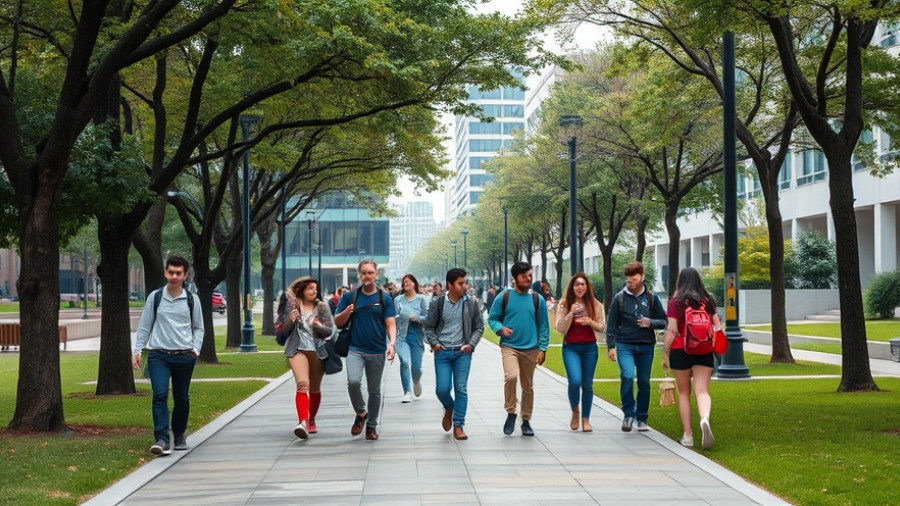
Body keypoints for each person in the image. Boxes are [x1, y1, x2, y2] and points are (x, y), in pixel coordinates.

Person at [132, 256, 204, 456]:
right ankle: (162, 439)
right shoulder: (155, 298)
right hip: (158, 356)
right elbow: (145, 326)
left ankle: (179, 435)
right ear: (165, 273)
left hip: (184, 356)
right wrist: (137, 350)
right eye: (170, 272)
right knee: (160, 395)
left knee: (182, 398)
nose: (174, 276)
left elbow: (199, 328)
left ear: (185, 275)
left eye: (178, 273)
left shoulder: (192, 299)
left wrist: (194, 351)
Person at [334, 260, 397, 441]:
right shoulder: (350, 296)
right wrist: (347, 311)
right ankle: (361, 412)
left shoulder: (383, 298)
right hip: (355, 349)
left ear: (376, 274)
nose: (367, 276)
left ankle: (371, 427)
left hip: (377, 350)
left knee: (375, 390)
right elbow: (338, 322)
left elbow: (390, 323)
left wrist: (391, 344)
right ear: (359, 275)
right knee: (353, 382)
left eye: (370, 272)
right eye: (363, 273)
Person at [488, 261, 550, 436]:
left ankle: (526, 420)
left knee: (528, 386)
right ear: (515, 278)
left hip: (531, 348)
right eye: (525, 276)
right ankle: (511, 412)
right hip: (509, 347)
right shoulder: (504, 297)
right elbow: (492, 318)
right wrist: (499, 328)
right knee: (511, 376)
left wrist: (543, 348)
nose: (529, 279)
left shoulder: (537, 299)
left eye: (530, 275)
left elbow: (544, 326)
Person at [606, 261, 667, 433]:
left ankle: (641, 417)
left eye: (634, 277)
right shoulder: (619, 298)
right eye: (628, 278)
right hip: (625, 344)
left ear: (642, 276)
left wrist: (650, 323)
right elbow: (611, 325)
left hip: (646, 346)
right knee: (627, 375)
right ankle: (628, 414)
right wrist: (611, 346)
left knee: (643, 382)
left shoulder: (651, 299)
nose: (631, 281)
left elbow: (664, 321)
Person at [663, 267, 719, 449]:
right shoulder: (708, 301)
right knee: (702, 391)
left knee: (684, 394)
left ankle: (688, 436)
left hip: (681, 350)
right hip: (704, 350)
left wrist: (665, 353)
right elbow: (717, 327)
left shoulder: (675, 302)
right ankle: (704, 418)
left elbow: (672, 330)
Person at [424, 268, 483, 440]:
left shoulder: (471, 302)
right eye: (460, 283)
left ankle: (459, 425)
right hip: (442, 352)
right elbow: (429, 326)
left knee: (461, 389)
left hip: (462, 353)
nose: (465, 286)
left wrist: (471, 344)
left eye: (465, 282)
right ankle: (449, 407)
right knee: (442, 390)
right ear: (450, 285)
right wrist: (434, 343)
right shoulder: (438, 302)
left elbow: (479, 326)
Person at [280, 277, 333, 439]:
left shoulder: (322, 307)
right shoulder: (293, 305)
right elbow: (285, 331)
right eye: (310, 288)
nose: (313, 291)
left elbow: (330, 331)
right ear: (302, 290)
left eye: (315, 289)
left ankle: (312, 419)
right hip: (297, 350)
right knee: (303, 384)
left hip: (317, 350)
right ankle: (302, 421)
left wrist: (318, 326)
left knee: (315, 389)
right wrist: (291, 319)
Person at [555, 273, 606, 432]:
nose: (580, 288)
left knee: (587, 385)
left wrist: (590, 321)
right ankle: (575, 411)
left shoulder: (595, 304)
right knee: (575, 381)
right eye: (577, 285)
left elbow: (602, 327)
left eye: (583, 285)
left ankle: (586, 419)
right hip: (570, 348)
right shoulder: (564, 304)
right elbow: (559, 328)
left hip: (590, 348)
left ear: (587, 287)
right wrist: (570, 313)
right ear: (572, 287)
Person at [394, 274, 429, 402]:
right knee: (404, 363)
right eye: (404, 282)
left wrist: (416, 318)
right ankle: (406, 392)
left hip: (416, 337)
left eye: (408, 282)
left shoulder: (422, 299)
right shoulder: (398, 300)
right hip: (401, 337)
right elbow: (393, 318)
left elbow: (428, 318)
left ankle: (416, 380)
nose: (405, 284)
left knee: (415, 368)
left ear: (414, 283)